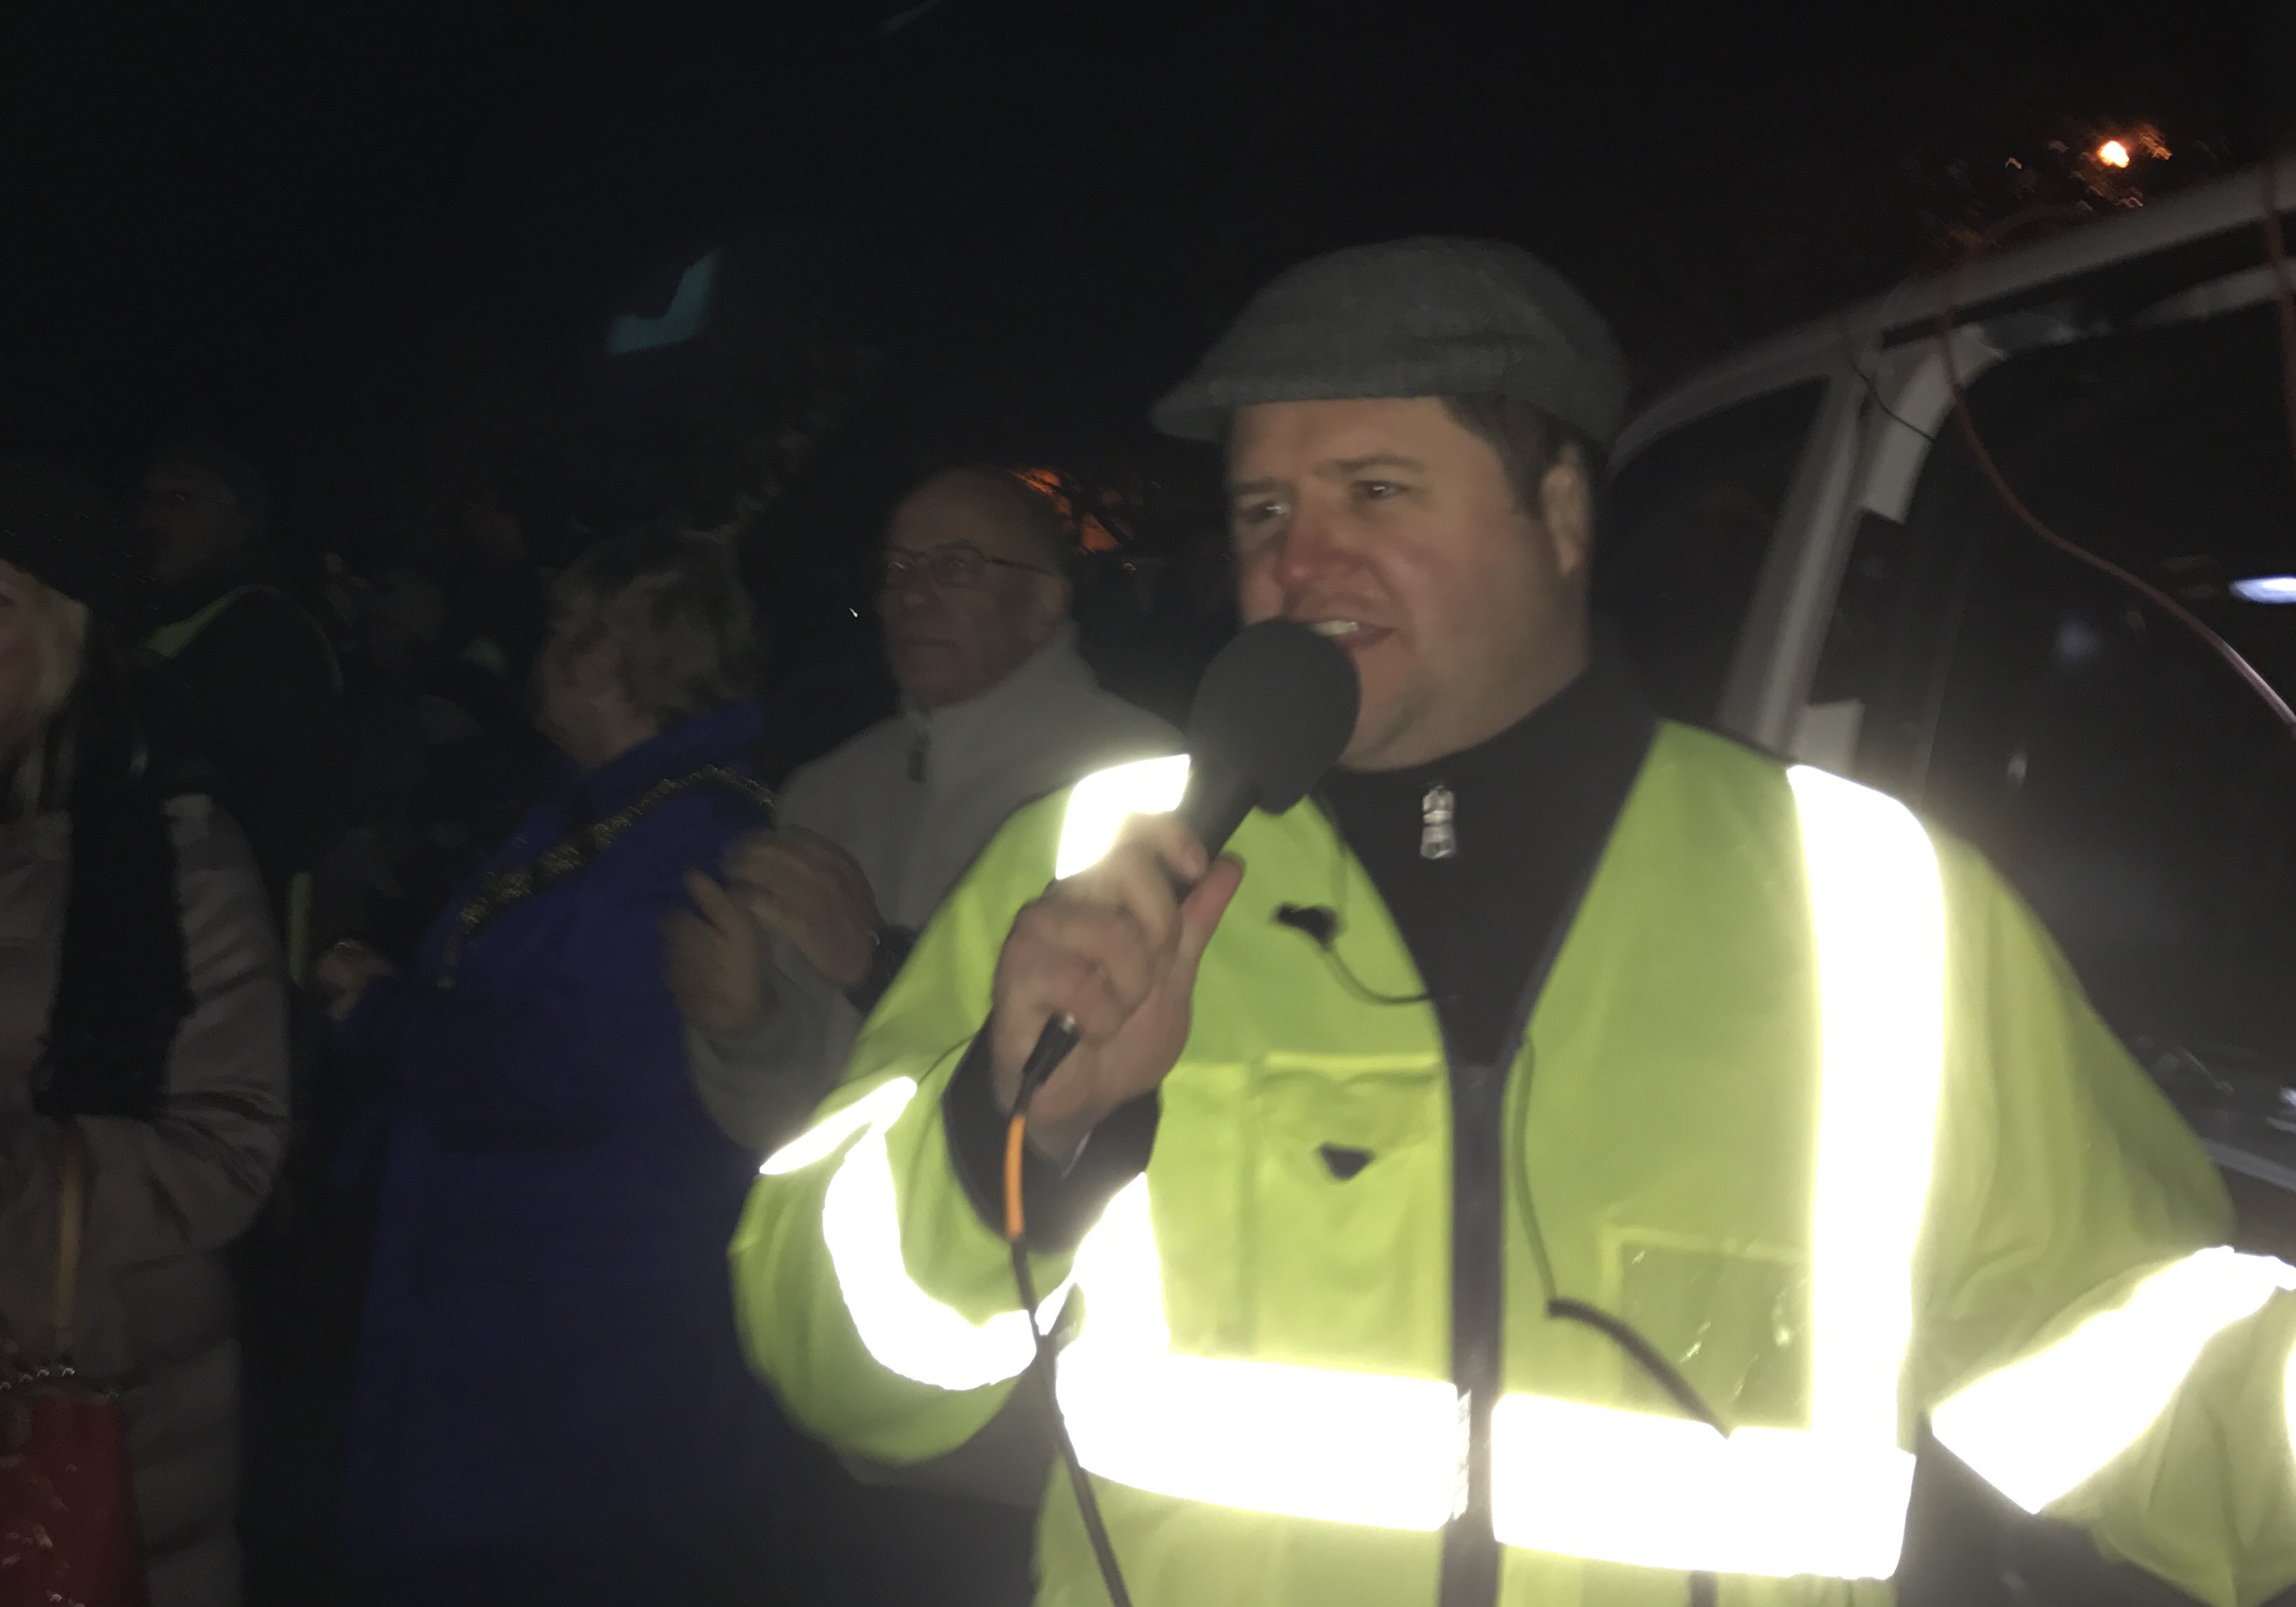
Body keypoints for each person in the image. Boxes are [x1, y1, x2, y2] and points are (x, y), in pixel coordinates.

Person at [729, 240, 2296, 1607]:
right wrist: (1008, 1138)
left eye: (1375, 491)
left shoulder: (1865, 898)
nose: (1297, 559)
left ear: (1558, 512)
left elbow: (2128, 1360)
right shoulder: (1095, 861)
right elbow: (834, 1361)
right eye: (1263, 507)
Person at [319, 532, 792, 1606]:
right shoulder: (616, 810)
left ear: (605, 661)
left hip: (573, 1355)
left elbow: (570, 1070)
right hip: (523, 1322)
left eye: (556, 636)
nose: (537, 660)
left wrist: (381, 1015)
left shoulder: (686, 838)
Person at [669, 464, 1175, 1150]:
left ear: (1044, 603)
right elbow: (785, 1128)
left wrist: (878, 963)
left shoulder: (1140, 780)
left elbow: (1117, 1096)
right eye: (897, 569)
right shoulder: (827, 791)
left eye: (955, 567)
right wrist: (745, 1030)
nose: (912, 595)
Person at [0, 461, 290, 1606]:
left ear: (68, 634)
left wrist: (22, 1181)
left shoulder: (171, 855)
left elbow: (233, 1149)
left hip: (85, 1428)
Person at [137, 441, 347, 975]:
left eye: (179, 499)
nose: (151, 518)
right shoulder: (151, 627)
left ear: (240, 524)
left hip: (224, 937)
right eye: (146, 500)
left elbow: (283, 813)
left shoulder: (266, 635)